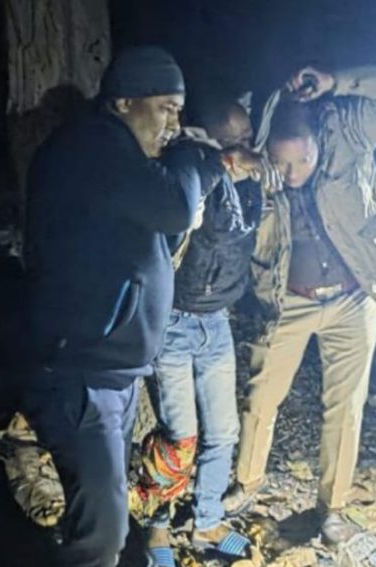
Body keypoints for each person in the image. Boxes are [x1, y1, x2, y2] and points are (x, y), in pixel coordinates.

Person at [23, 46, 268, 567]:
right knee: (103, 532)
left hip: (111, 369)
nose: (174, 125)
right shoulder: (93, 147)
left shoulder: (119, 157)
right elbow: (175, 208)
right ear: (123, 102)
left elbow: (166, 225)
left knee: (104, 509)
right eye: (166, 109)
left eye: (179, 111)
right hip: (83, 371)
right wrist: (203, 158)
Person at [223, 66, 376, 546]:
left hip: (354, 297)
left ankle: (331, 507)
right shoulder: (257, 157)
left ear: (318, 143)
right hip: (290, 300)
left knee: (345, 406)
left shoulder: (350, 136)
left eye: (303, 161)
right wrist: (239, 159)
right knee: (260, 396)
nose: (292, 175)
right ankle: (246, 483)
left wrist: (338, 81)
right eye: (282, 163)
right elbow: (202, 145)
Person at [134, 98, 277, 566]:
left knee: (224, 431)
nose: (248, 148)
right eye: (234, 140)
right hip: (174, 320)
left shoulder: (247, 180)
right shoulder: (186, 166)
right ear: (208, 138)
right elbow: (191, 209)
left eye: (249, 137)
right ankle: (156, 527)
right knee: (179, 436)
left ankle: (207, 522)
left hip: (217, 321)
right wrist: (228, 162)